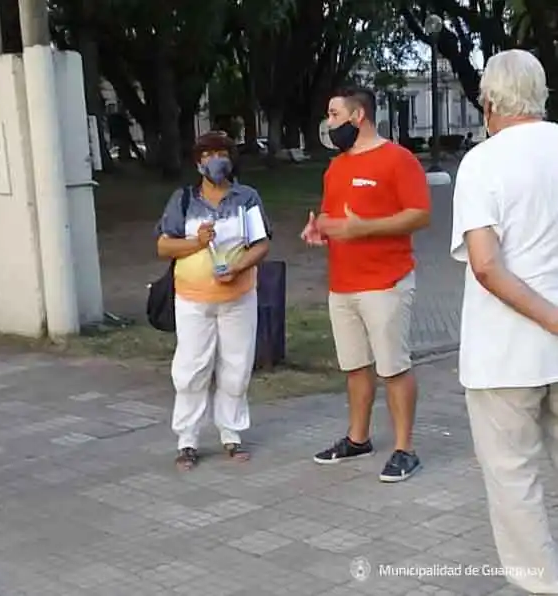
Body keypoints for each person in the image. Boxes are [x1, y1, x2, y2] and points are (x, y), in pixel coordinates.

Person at [450, 49, 558, 593]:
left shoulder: (482, 162)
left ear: (489, 101)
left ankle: (542, 583)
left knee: (515, 479)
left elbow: (486, 266)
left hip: (503, 355)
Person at [301, 86, 431, 482]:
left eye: (334, 114)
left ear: (359, 116)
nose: (329, 123)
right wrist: (320, 229)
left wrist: (365, 228)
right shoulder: (336, 167)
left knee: (393, 367)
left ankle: (405, 449)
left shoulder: (398, 159)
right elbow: (333, 217)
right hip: (342, 284)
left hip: (385, 282)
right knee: (355, 366)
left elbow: (420, 215)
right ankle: (358, 439)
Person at [155, 132, 271, 471]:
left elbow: (261, 244)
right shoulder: (184, 199)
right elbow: (163, 246)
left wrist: (237, 267)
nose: (215, 160)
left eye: (221, 153)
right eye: (207, 155)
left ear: (232, 160)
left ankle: (231, 434)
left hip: (238, 297)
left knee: (236, 366)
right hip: (192, 300)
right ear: (197, 162)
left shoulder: (246, 197)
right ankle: (187, 440)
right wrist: (196, 241)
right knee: (191, 369)